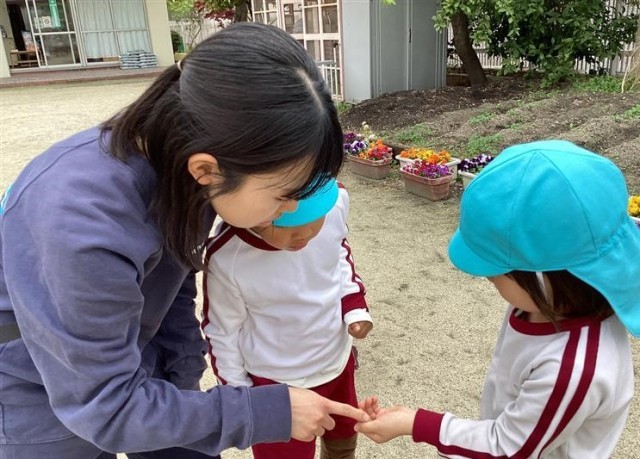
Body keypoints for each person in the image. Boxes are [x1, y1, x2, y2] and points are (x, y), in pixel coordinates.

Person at [0, 23, 368, 459]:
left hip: (138, 373)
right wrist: (265, 410)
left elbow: (172, 281)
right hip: (42, 400)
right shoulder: (82, 223)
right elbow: (106, 407)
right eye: (283, 195)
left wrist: (183, 373)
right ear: (206, 169)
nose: (290, 210)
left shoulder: (189, 168)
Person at [355, 140, 640, 458]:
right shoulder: (546, 302)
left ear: (543, 276)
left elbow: (509, 447)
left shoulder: (572, 369)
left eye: (496, 274)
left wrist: (417, 424)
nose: (490, 280)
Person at [203, 177, 373, 459]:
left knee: (343, 435)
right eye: (288, 228)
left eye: (315, 223)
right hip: (276, 383)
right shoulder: (228, 257)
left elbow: (339, 251)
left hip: (335, 360)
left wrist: (354, 305)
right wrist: (244, 399)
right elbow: (222, 332)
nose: (304, 236)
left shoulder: (334, 204)